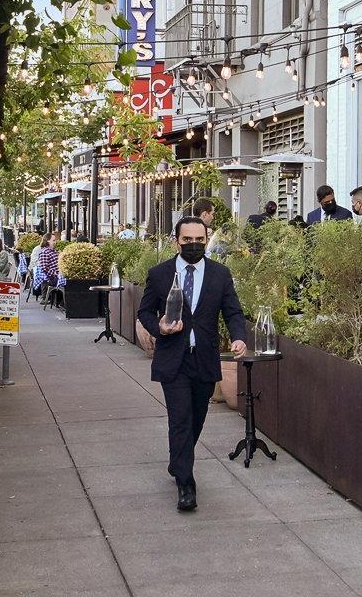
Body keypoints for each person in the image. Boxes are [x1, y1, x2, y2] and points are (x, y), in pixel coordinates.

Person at [137, 216, 248, 512]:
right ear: (177, 241)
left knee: (196, 418)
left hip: (204, 358)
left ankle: (177, 461)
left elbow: (233, 312)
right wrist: (159, 326)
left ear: (206, 239)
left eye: (200, 240)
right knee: (181, 419)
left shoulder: (220, 274)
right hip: (173, 359)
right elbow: (144, 311)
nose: (194, 245)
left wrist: (239, 337)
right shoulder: (160, 274)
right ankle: (186, 483)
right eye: (188, 240)